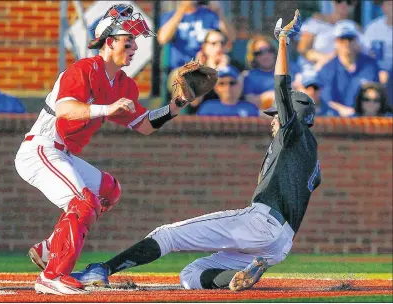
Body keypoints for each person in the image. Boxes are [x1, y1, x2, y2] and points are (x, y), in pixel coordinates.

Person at [70, 10, 321, 292]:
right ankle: (239, 277)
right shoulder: (311, 154)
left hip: (260, 222)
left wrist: (284, 42)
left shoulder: (293, 133)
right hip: (280, 244)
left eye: (277, 114)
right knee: (192, 275)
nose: (273, 119)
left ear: (295, 115)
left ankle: (102, 269)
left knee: (166, 236)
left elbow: (281, 87)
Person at [14, 4, 189, 295]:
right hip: (41, 149)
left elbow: (144, 125)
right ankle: (53, 275)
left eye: (134, 42)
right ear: (109, 42)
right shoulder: (83, 69)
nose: (134, 47)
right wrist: (106, 108)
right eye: (128, 41)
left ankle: (50, 249)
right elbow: (65, 109)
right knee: (84, 203)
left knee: (109, 190)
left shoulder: (122, 83)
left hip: (62, 153)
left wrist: (175, 106)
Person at [318, 20, 380, 117]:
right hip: (337, 121)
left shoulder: (371, 65)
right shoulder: (327, 69)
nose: (347, 43)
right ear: (336, 42)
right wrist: (344, 111)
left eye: (350, 38)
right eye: (342, 39)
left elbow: (376, 96)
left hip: (366, 119)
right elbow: (326, 100)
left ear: (357, 40)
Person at [157, 0, 235, 72]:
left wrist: (219, 12)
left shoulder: (209, 15)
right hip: (179, 68)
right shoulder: (170, 16)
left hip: (204, 67)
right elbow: (162, 38)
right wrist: (182, 10)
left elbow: (231, 37)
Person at [297, 0, 359, 72]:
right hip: (312, 71)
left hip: (341, 73)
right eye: (339, 1)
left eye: (349, 2)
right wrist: (325, 59)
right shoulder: (316, 21)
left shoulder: (356, 29)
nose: (343, 4)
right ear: (333, 2)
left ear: (354, 4)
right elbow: (302, 49)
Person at [242, 35, 277, 110]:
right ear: (253, 56)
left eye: (269, 50)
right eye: (259, 53)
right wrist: (270, 96)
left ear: (275, 52)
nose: (265, 56)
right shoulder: (249, 77)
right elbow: (250, 100)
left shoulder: (290, 69)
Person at [362, 0, 392, 84]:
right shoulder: (373, 28)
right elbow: (364, 52)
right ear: (383, 7)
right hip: (377, 74)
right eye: (389, 3)